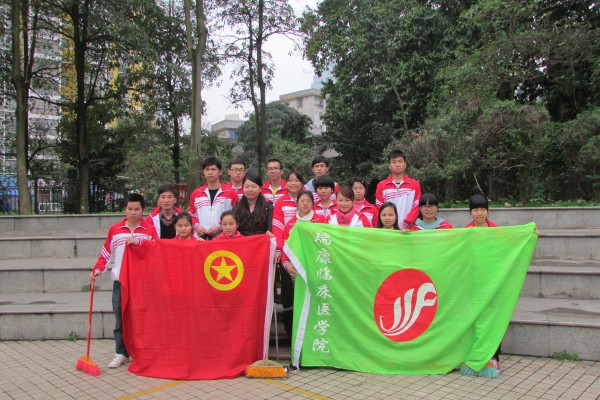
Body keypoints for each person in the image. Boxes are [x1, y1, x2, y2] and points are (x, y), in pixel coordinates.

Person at [90, 193, 157, 369]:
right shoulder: (115, 229)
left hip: (141, 283)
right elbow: (106, 252)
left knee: (142, 318)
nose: (133, 213)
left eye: (137, 209)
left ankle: (143, 351)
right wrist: (98, 269)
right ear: (125, 209)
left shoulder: (149, 229)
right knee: (120, 318)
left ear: (143, 210)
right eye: (130, 209)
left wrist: (139, 243)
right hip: (121, 281)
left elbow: (156, 250)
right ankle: (121, 352)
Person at [460, 193, 500, 378]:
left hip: (492, 282)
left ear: (488, 211)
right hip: (472, 283)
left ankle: (493, 356)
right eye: (475, 210)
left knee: (493, 318)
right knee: (473, 319)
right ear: (470, 212)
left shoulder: (497, 232)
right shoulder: (465, 233)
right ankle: (472, 354)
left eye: (483, 209)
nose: (479, 213)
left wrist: (530, 233)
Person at [280, 190, 326, 334]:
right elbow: (286, 248)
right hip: (297, 269)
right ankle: (298, 334)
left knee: (316, 301)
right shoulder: (291, 224)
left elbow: (325, 244)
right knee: (299, 302)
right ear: (297, 203)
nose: (305, 204)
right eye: (302, 201)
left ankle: (316, 333)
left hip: (315, 267)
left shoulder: (321, 220)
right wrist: (286, 264)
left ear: (313, 204)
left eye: (308, 201)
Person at [189, 156, 239, 240]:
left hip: (223, 238)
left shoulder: (231, 193)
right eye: (207, 169)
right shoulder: (196, 194)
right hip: (200, 239)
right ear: (203, 172)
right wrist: (196, 226)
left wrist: (220, 226)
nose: (210, 172)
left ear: (220, 172)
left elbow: (236, 214)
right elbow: (191, 214)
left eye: (213, 169)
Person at [375, 149, 421, 232]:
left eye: (400, 161)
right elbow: (379, 208)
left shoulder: (414, 185)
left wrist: (406, 224)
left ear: (405, 165)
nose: (397, 164)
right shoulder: (381, 186)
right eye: (394, 162)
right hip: (388, 230)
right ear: (389, 165)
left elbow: (416, 207)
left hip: (407, 230)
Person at [272, 170, 304, 261]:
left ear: (301, 184)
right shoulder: (281, 202)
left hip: (305, 244)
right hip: (287, 245)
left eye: (296, 180)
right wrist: (279, 248)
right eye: (290, 180)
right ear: (286, 184)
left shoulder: (308, 200)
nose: (293, 183)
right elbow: (278, 226)